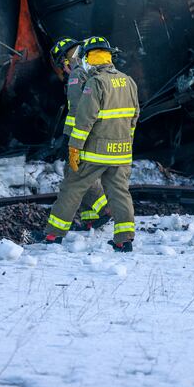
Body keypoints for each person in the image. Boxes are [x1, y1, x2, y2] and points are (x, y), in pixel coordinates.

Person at [42, 36, 139, 252]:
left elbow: (83, 119)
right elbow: (134, 118)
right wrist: (127, 143)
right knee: (120, 192)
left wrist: (74, 146)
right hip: (122, 151)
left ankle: (52, 234)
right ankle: (124, 240)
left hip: (95, 150)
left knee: (72, 187)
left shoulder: (95, 83)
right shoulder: (128, 81)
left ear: (89, 58)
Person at [49, 37, 111, 230]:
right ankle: (90, 218)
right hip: (100, 129)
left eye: (61, 64)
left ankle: (106, 208)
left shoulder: (77, 73)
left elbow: (77, 111)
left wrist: (69, 138)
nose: (63, 70)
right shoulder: (92, 68)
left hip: (85, 133)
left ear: (65, 59)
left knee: (77, 174)